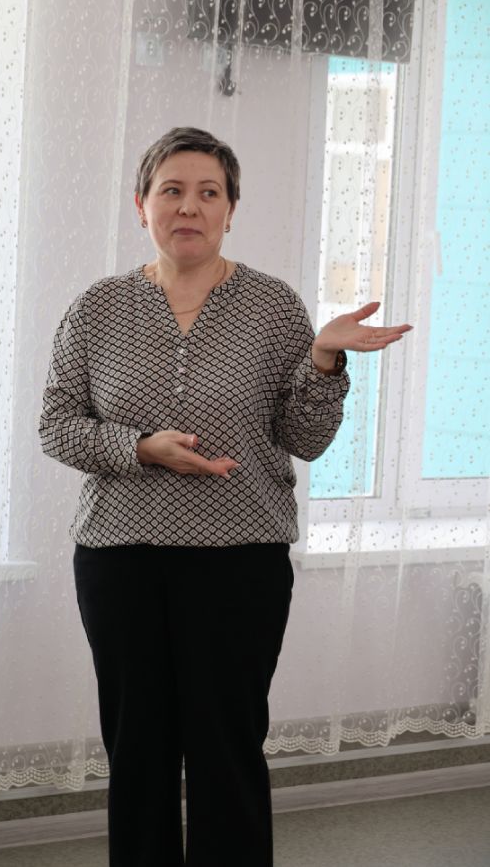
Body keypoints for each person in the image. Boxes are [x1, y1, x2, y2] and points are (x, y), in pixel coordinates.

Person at [38, 126, 412, 867]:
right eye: (171, 190)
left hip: (240, 562)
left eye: (209, 192)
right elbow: (56, 425)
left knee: (226, 748)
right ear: (141, 204)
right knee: (136, 749)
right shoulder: (97, 308)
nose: (189, 207)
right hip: (120, 560)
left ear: (231, 210)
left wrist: (324, 359)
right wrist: (140, 448)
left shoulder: (273, 307)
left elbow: (304, 438)